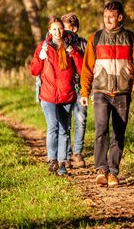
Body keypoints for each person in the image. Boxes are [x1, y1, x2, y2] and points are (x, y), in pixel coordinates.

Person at [80, 1, 134, 187]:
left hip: (123, 92)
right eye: (105, 16)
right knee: (101, 129)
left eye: (111, 17)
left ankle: (113, 171)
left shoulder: (131, 38)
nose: (107, 20)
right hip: (101, 91)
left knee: (119, 133)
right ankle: (101, 170)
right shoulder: (96, 38)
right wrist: (85, 91)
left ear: (120, 18)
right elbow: (87, 68)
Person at [29, 17, 83, 176]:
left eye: (60, 29)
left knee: (64, 130)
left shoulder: (71, 47)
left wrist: (73, 53)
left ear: (64, 30)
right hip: (48, 95)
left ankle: (62, 165)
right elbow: (34, 70)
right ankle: (51, 160)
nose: (57, 32)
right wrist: (41, 57)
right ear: (49, 31)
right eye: (54, 29)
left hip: (66, 94)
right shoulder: (43, 47)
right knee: (53, 126)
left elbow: (81, 69)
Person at [61, 13, 88, 168]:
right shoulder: (59, 43)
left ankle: (77, 152)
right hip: (65, 86)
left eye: (67, 28)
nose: (64, 31)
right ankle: (66, 153)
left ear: (75, 28)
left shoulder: (83, 44)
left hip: (80, 87)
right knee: (66, 121)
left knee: (81, 118)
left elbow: (88, 66)